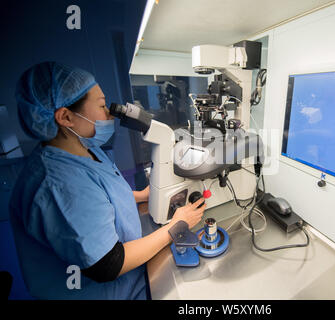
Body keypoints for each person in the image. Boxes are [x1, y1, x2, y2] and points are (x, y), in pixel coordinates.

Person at [9, 61, 206, 300]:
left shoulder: (82, 146)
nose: (109, 112)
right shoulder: (58, 184)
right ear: (66, 117)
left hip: (130, 280)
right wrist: (175, 227)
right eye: (102, 105)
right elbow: (107, 264)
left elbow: (100, 195)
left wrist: (141, 196)